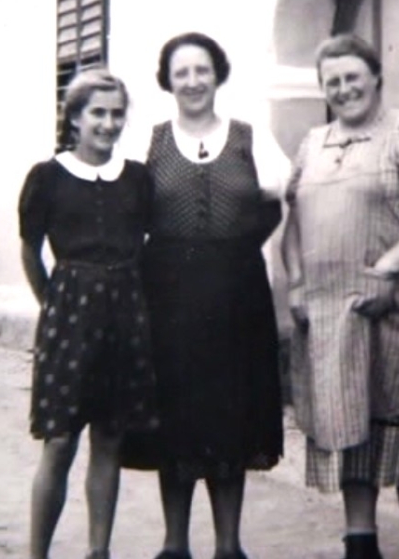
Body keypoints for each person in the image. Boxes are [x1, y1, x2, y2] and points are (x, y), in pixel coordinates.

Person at [281, 33, 399, 559]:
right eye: (332, 82)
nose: (343, 89)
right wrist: (297, 283)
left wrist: (386, 269)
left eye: (352, 78)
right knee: (349, 421)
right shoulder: (312, 144)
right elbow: (293, 226)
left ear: (375, 78)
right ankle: (359, 541)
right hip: (334, 314)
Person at [119, 32, 287, 559]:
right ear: (167, 80)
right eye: (181, 71)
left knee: (231, 416)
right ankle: (174, 544)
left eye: (202, 70)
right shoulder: (147, 143)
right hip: (168, 293)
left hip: (237, 294)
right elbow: (128, 216)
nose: (192, 81)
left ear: (218, 74)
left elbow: (278, 198)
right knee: (177, 414)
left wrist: (239, 247)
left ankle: (229, 545)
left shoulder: (248, 138)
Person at [18, 68, 159, 559]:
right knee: (59, 441)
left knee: (110, 438)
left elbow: (146, 243)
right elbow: (31, 252)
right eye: (97, 112)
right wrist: (55, 304)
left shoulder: (137, 179)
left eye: (117, 113)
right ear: (75, 118)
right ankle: (39, 553)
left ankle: (99, 552)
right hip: (68, 318)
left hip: (125, 316)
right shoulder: (48, 178)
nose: (108, 123)